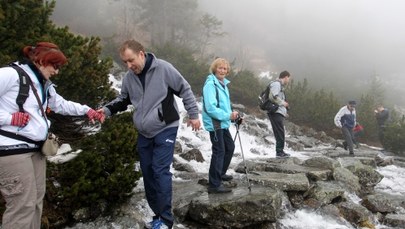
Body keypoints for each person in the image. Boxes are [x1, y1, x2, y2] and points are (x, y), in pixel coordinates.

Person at [97, 39, 200, 229]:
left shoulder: (163, 68)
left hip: (165, 126)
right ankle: (158, 215)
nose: (129, 66)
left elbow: (184, 89)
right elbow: (123, 99)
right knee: (148, 172)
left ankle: (166, 221)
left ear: (141, 54)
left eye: (131, 60)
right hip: (144, 131)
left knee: (160, 171)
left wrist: (193, 114)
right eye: (125, 62)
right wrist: (106, 111)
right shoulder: (129, 77)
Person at [0, 42, 104, 229]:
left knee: (36, 201)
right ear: (41, 60)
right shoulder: (10, 74)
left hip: (36, 150)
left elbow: (61, 104)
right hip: (11, 150)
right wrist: (8, 118)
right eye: (55, 66)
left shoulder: (43, 84)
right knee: (22, 205)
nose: (57, 71)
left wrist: (87, 111)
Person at [202, 58, 240, 194]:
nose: (222, 70)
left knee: (230, 147)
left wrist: (234, 115)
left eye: (225, 69)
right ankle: (214, 184)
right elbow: (211, 108)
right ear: (214, 69)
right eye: (220, 68)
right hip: (215, 123)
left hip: (222, 122)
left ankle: (221, 173)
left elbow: (225, 106)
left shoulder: (223, 84)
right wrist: (228, 116)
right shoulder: (210, 85)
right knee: (219, 151)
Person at [267, 71, 291, 158]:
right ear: (285, 77)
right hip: (275, 112)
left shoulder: (279, 85)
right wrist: (283, 103)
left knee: (279, 131)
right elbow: (272, 97)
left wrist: (284, 112)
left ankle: (280, 151)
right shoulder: (277, 84)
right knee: (279, 132)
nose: (289, 80)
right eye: (289, 78)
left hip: (278, 112)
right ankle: (279, 152)